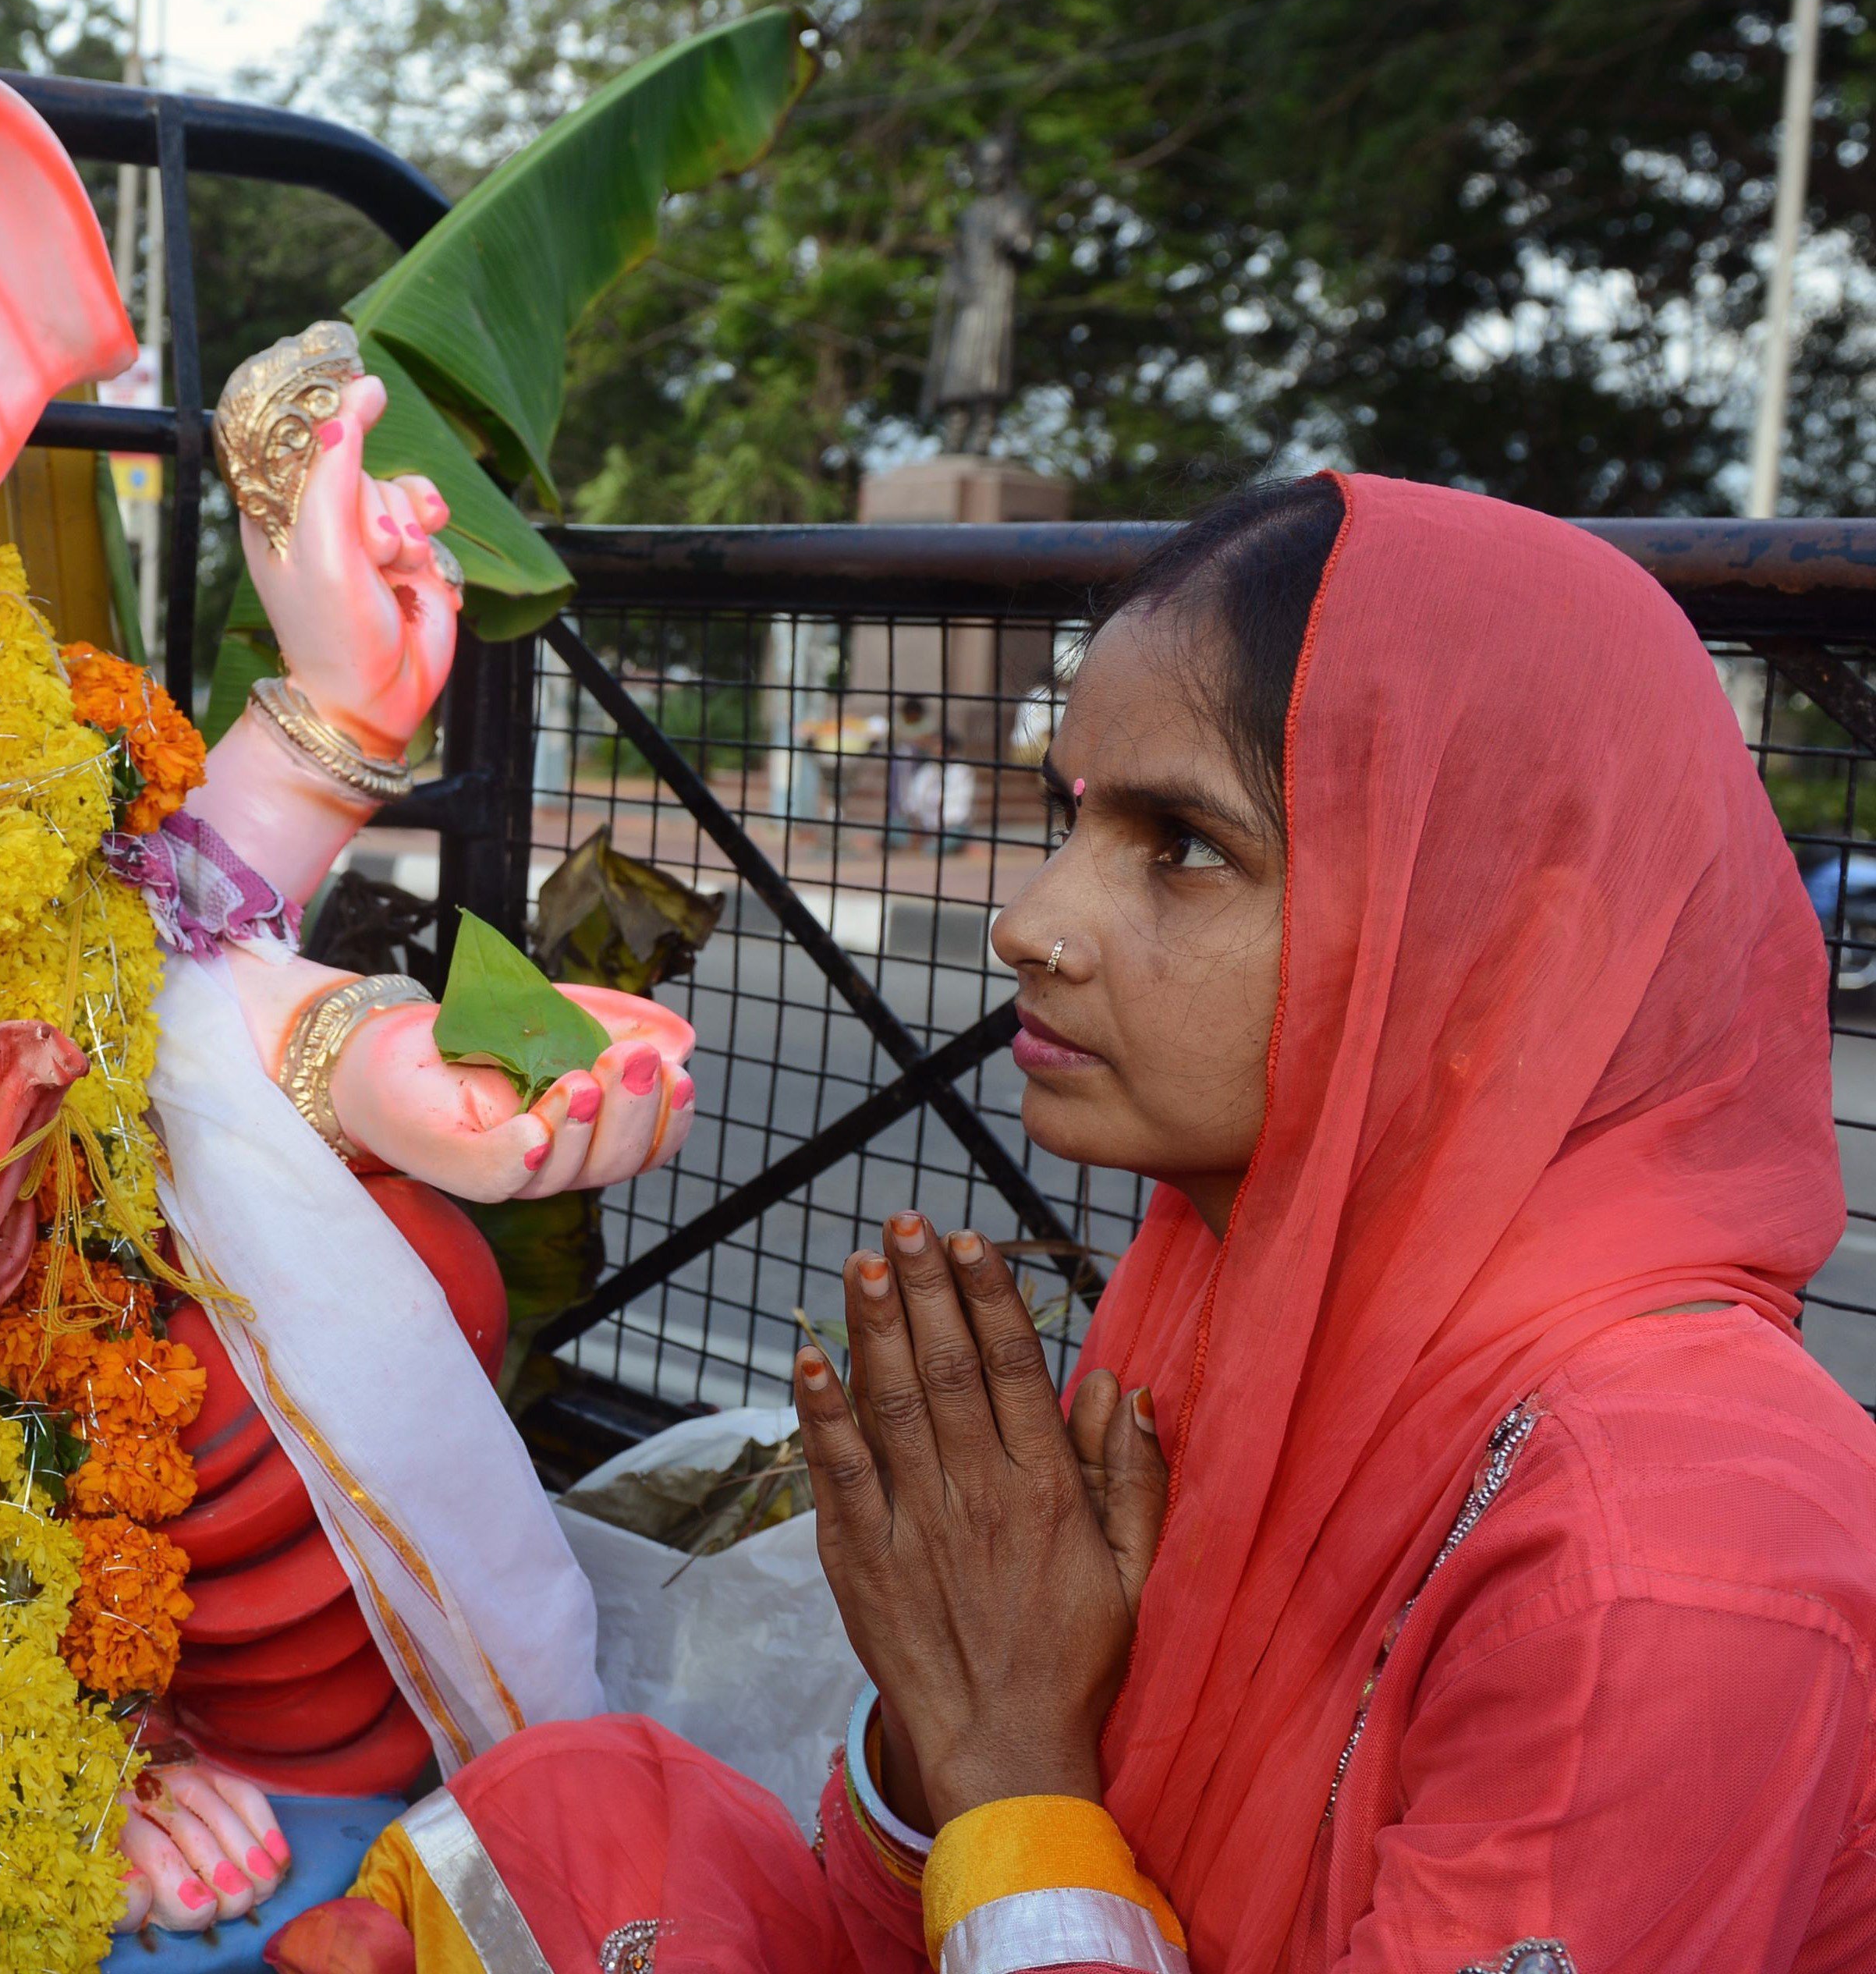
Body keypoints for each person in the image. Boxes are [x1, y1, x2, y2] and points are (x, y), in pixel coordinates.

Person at [266, 473, 1876, 1972]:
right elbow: (945, 1884)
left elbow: (1028, 1821)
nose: (1028, 923)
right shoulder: (1225, 1286)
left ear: (1503, 941)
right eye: (1072, 818)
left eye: (1181, 847)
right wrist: (943, 1723)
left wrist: (1012, 1759)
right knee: (577, 1822)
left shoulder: (1664, 1566)